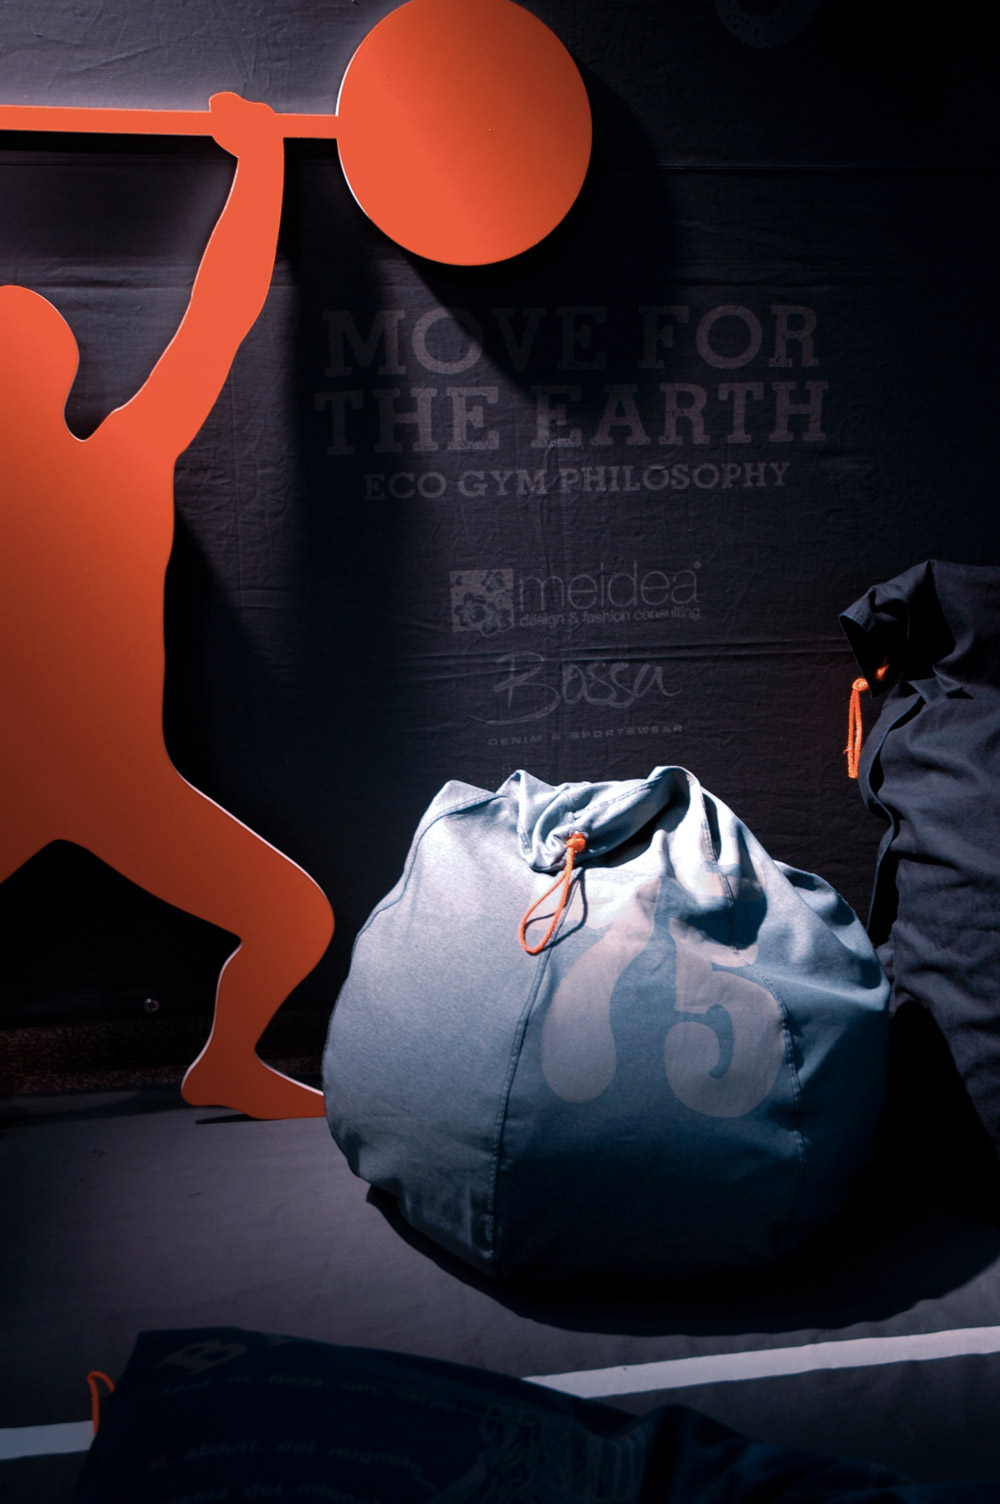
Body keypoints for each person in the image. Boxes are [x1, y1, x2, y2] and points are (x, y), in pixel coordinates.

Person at [0, 92, 333, 1119]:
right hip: (70, 782)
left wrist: (265, 166)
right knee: (293, 920)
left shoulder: (126, 461)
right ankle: (227, 1057)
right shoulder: (128, 459)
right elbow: (219, 316)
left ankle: (226, 1061)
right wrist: (261, 159)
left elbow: (221, 314)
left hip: (117, 786)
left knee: (294, 917)